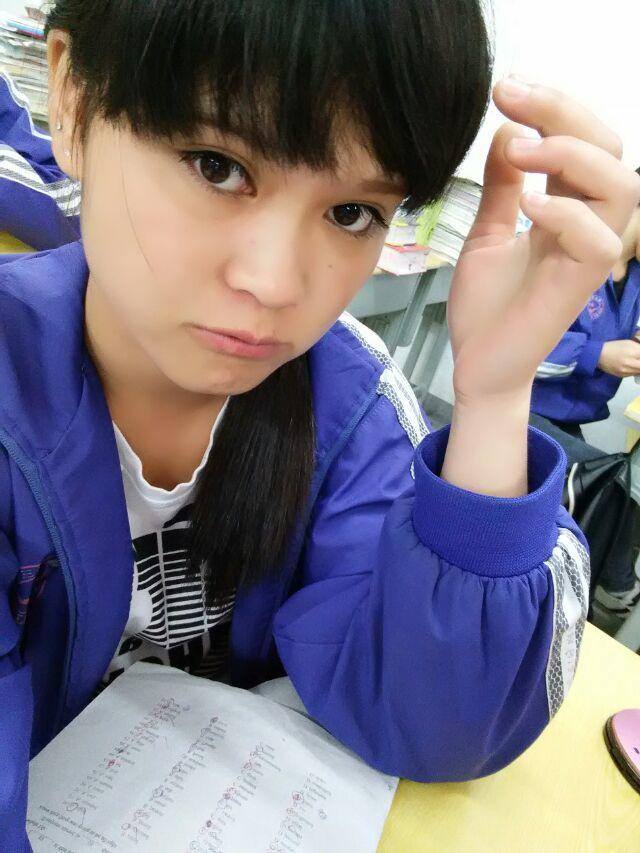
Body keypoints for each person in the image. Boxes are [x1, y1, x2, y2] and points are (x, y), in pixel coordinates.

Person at [1, 1, 638, 847]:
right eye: (217, 165)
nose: (273, 283)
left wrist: (493, 395)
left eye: (351, 213)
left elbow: (436, 723)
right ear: (73, 98)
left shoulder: (350, 405)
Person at [531, 180, 640, 436]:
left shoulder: (635, 276)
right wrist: (597, 355)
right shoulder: (569, 252)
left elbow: (607, 329)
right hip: (522, 407)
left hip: (569, 419)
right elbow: (510, 348)